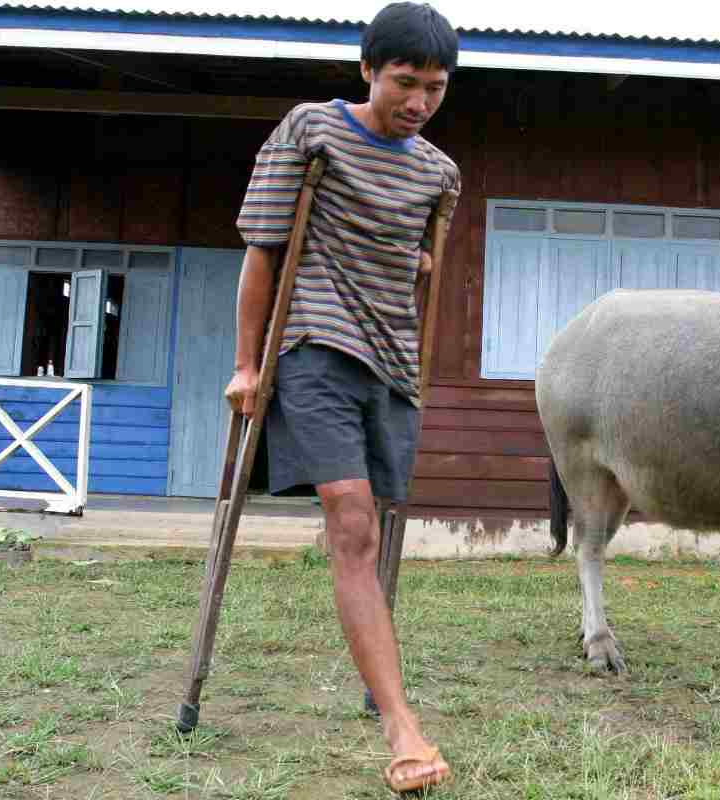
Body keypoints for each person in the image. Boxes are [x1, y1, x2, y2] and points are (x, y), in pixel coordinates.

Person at [226, 2, 460, 792]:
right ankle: (402, 727)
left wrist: (417, 266)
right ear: (367, 70)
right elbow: (264, 251)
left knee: (377, 532)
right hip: (314, 348)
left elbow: (414, 263)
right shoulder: (310, 131)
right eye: (405, 82)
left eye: (434, 87)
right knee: (353, 530)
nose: (419, 102)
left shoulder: (437, 172)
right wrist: (247, 364)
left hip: (392, 364)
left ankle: (382, 688)